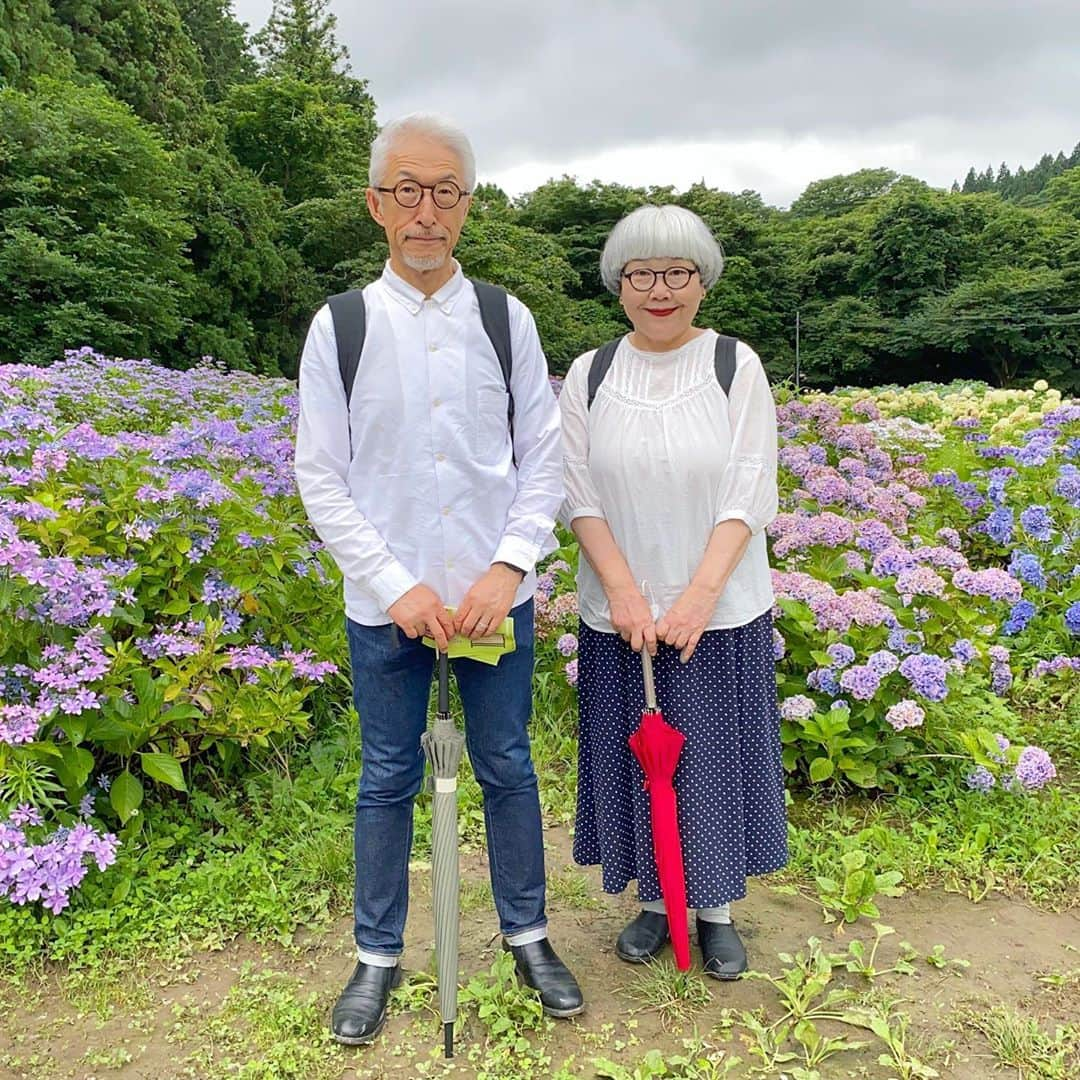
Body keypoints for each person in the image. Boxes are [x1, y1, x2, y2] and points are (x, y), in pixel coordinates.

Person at [294, 113, 583, 1046]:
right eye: (408, 191)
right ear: (377, 204)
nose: (427, 211)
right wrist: (394, 584)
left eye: (446, 192)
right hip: (389, 606)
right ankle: (376, 956)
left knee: (506, 764)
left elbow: (543, 456)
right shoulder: (340, 325)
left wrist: (509, 566)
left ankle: (528, 934)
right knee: (386, 775)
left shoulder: (506, 318)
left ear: (467, 205)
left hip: (493, 596)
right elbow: (320, 475)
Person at [558, 204, 787, 978]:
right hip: (619, 614)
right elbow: (576, 491)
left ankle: (716, 911)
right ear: (618, 285)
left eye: (678, 273)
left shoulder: (734, 365)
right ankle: (656, 904)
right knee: (639, 759)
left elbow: (749, 487)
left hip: (717, 610)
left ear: (703, 281)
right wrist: (622, 590)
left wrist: (696, 596)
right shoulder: (591, 374)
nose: (661, 289)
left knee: (713, 760)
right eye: (642, 274)